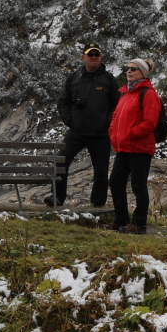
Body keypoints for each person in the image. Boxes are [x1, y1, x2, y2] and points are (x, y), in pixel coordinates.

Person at [50, 45, 117, 211]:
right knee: (60, 162)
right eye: (90, 54)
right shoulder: (74, 77)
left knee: (101, 172)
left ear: (101, 57)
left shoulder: (109, 79)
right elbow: (63, 102)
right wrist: (70, 120)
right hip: (76, 132)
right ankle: (57, 197)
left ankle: (97, 205)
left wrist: (107, 123)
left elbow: (118, 105)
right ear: (83, 57)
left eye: (97, 54)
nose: (94, 57)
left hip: (101, 134)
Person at [107, 57, 162, 235]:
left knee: (138, 185)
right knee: (116, 182)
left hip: (140, 147)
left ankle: (139, 223)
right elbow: (116, 117)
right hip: (124, 146)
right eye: (127, 68)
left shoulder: (148, 93)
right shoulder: (126, 93)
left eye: (134, 69)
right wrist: (112, 131)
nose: (129, 71)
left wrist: (129, 134)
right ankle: (121, 219)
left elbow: (150, 123)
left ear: (143, 73)